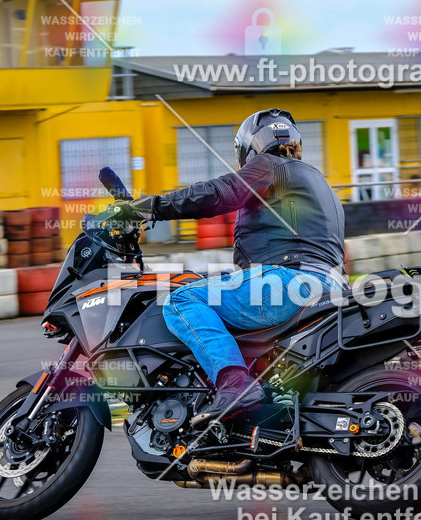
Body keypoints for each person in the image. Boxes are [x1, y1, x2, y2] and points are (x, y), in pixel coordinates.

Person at [120, 109, 347, 427]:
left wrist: (150, 207)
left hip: (289, 283)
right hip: (329, 289)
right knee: (213, 291)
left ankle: (234, 386)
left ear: (251, 147)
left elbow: (216, 194)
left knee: (181, 299)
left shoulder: (270, 166)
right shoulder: (318, 181)